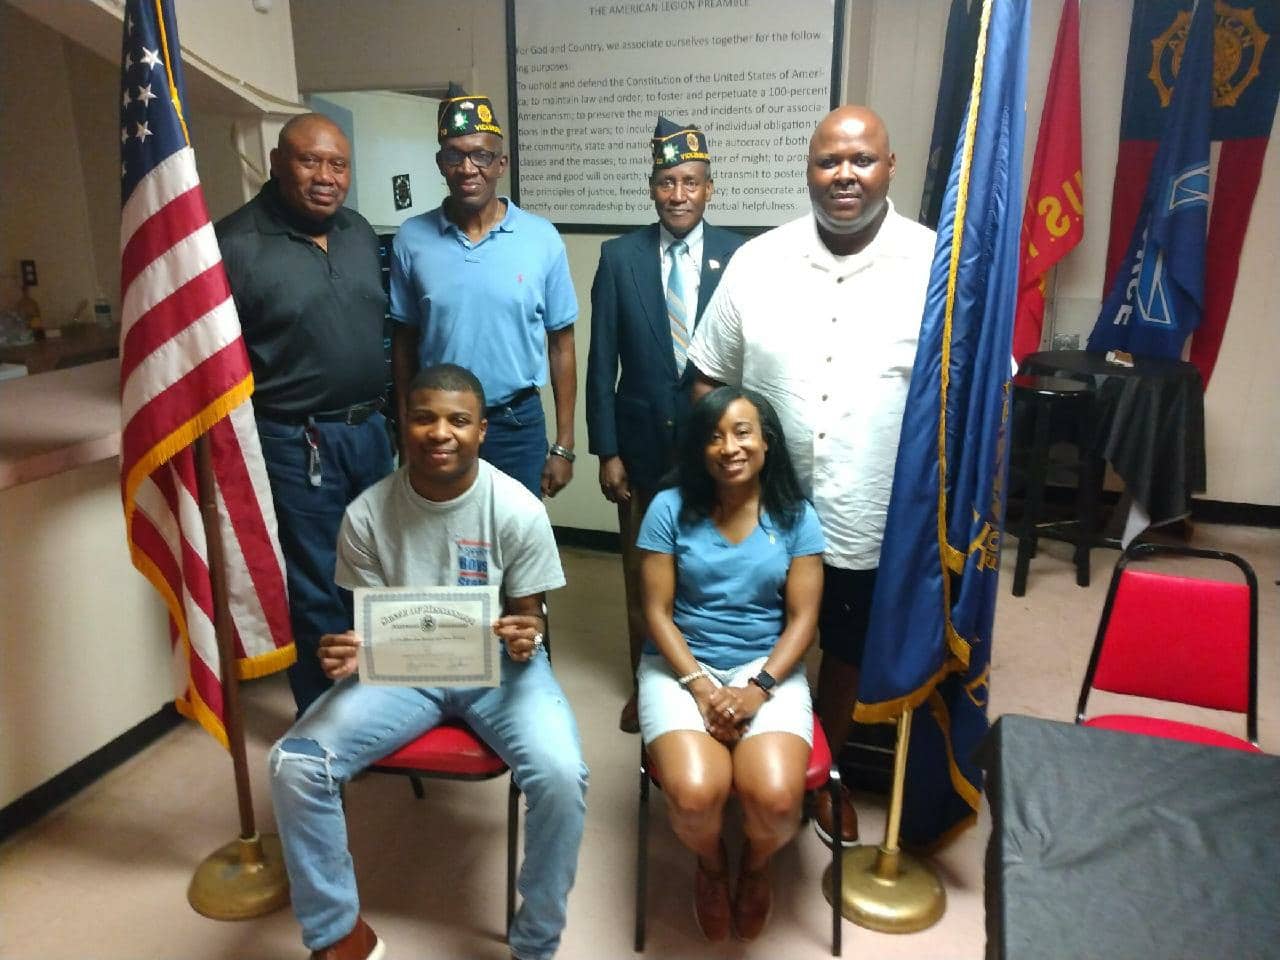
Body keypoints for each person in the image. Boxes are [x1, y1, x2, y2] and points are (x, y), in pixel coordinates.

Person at [269, 363, 589, 960]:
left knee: (561, 775)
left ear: (482, 431)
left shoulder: (516, 508)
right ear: (403, 424)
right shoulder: (367, 514)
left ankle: (536, 943)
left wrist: (527, 634)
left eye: (458, 420)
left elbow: (530, 616)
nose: (440, 432)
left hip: (499, 667)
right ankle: (338, 934)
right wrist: (346, 650)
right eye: (424, 418)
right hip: (403, 670)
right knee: (295, 763)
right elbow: (369, 623)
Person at [688, 105, 936, 847]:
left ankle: (821, 774)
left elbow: (976, 392)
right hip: (764, 511)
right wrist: (722, 482)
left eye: (862, 160)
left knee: (848, 649)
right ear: (808, 170)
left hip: (874, 506)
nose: (844, 175)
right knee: (751, 633)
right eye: (829, 161)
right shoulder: (758, 261)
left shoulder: (938, 264)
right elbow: (706, 378)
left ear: (890, 167)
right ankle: (741, 765)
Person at [216, 113, 394, 715]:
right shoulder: (233, 244)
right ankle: (327, 715)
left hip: (371, 432)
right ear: (276, 163)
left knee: (379, 566)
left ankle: (383, 701)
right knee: (318, 578)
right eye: (309, 161)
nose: (326, 177)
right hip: (297, 441)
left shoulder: (357, 231)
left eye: (338, 164)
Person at [637, 386, 824, 942]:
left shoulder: (796, 516)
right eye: (714, 436)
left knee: (778, 801)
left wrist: (757, 689)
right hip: (680, 664)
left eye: (743, 432)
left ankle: (757, 866)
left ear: (767, 442)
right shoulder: (668, 508)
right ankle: (713, 864)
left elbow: (803, 620)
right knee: (695, 797)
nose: (729, 447)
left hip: (765, 667)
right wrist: (700, 687)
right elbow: (655, 612)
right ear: (698, 449)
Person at [586, 116, 745, 734]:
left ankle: (711, 677)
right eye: (666, 183)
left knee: (712, 570)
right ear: (652, 187)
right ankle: (644, 686)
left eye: (690, 182)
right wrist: (606, 450)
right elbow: (602, 360)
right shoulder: (618, 257)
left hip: (717, 448)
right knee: (642, 573)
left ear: (710, 188)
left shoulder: (741, 255)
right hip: (641, 447)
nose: (678, 195)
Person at [391, 86, 578, 499]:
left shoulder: (541, 238)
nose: (467, 168)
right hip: (439, 425)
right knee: (436, 528)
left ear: (500, 164)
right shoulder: (411, 239)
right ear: (441, 163)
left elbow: (562, 345)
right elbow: (404, 346)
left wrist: (564, 445)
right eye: (454, 155)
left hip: (515, 424)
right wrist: (406, 433)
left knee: (516, 534)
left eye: (481, 155)